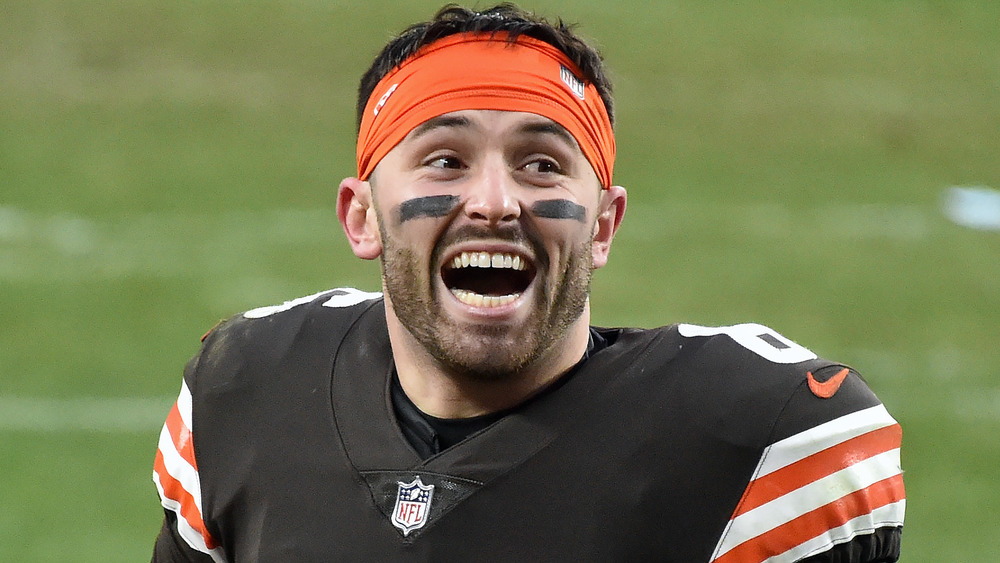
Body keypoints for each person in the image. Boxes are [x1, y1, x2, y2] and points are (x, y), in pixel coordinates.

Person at [151, 4, 905, 562]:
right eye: (444, 160)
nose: (494, 201)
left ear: (603, 226)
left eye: (541, 163)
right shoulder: (245, 398)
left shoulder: (756, 443)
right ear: (363, 218)